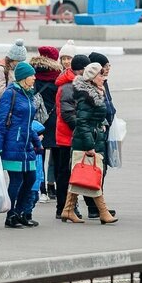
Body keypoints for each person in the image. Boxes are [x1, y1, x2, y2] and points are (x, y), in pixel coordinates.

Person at [63, 62, 117, 224]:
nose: (103, 77)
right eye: (100, 75)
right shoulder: (86, 96)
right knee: (93, 176)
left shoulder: (95, 92)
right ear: (92, 78)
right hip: (86, 142)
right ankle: (103, 212)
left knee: (80, 176)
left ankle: (67, 210)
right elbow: (82, 123)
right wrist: (89, 146)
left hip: (93, 138)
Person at [0, 61, 42, 229]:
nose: (34, 78)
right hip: (12, 145)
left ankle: (22, 212)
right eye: (32, 75)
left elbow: (28, 123)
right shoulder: (11, 94)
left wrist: (36, 141)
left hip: (26, 145)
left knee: (30, 178)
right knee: (16, 181)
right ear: (23, 77)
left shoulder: (27, 93)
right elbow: (0, 121)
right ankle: (11, 215)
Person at [54, 54, 89, 219]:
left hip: (72, 135)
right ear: (80, 70)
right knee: (65, 174)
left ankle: (68, 207)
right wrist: (83, 127)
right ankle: (63, 207)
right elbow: (68, 114)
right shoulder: (69, 86)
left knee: (70, 173)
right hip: (67, 137)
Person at [85, 52, 117, 219]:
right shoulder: (88, 90)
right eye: (106, 65)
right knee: (95, 170)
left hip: (101, 134)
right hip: (95, 134)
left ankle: (97, 206)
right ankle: (94, 207)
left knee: (100, 170)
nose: (108, 68)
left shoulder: (103, 84)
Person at [32, 46, 62, 200]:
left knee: (39, 155)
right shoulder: (58, 76)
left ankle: (41, 189)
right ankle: (55, 188)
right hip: (55, 119)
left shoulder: (33, 74)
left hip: (38, 120)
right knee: (57, 156)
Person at [0, 39, 28, 108]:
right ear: (13, 59)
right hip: (6, 106)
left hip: (17, 104)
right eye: (19, 61)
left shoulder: (16, 68)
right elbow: (1, 93)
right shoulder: (0, 70)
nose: (21, 63)